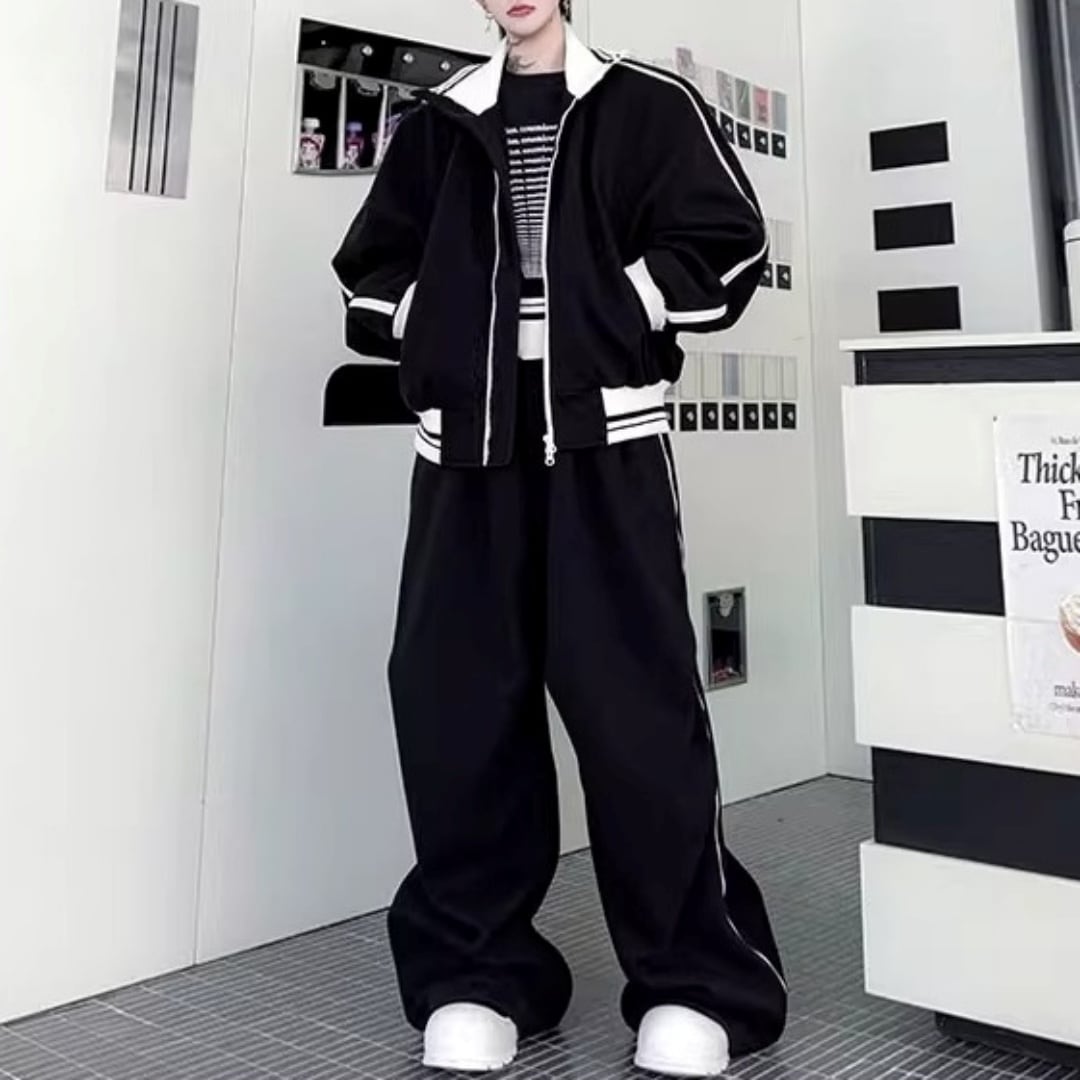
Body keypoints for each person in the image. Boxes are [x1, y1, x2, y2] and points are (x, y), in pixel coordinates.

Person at [332, 0, 787, 1074]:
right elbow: (369, 271)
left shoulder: (647, 105)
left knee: (639, 718)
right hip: (467, 454)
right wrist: (434, 326)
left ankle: (696, 981)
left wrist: (624, 305)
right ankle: (479, 973)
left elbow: (728, 244)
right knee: (456, 713)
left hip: (605, 447)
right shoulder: (440, 121)